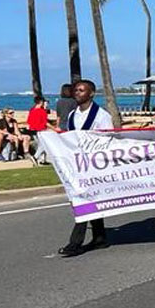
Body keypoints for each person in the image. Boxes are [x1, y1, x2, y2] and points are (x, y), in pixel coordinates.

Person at [58, 80, 114, 257]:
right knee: (90, 200)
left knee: (83, 200)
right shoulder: (73, 115)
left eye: (82, 90)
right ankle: (100, 237)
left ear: (91, 93)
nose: (77, 93)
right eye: (76, 90)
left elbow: (108, 139)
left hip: (95, 165)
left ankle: (75, 242)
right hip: (78, 165)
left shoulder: (101, 116)